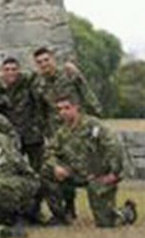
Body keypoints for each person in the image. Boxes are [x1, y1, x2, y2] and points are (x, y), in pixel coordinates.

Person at [41, 95, 137, 228]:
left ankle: (127, 212)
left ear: (77, 108)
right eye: (59, 109)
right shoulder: (62, 132)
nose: (63, 112)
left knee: (106, 224)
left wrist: (114, 174)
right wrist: (56, 166)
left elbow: (114, 146)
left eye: (67, 108)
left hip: (99, 176)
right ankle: (61, 216)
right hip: (76, 173)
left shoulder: (93, 126)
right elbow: (49, 151)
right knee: (46, 172)